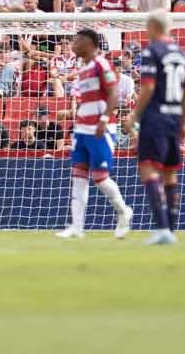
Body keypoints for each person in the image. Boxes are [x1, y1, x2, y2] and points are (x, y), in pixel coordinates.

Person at [55, 28, 133, 240]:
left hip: (99, 129)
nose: (73, 44)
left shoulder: (101, 63)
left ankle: (124, 211)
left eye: (77, 40)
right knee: (79, 177)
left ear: (89, 44)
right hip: (81, 129)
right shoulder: (84, 68)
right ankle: (77, 227)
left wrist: (105, 119)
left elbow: (114, 92)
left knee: (100, 178)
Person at [127, 10, 185, 245]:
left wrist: (134, 115)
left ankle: (162, 228)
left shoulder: (152, 51)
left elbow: (149, 87)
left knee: (148, 169)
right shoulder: (182, 54)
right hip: (174, 119)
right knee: (170, 173)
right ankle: (171, 230)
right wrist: (184, 121)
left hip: (155, 118)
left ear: (153, 27)